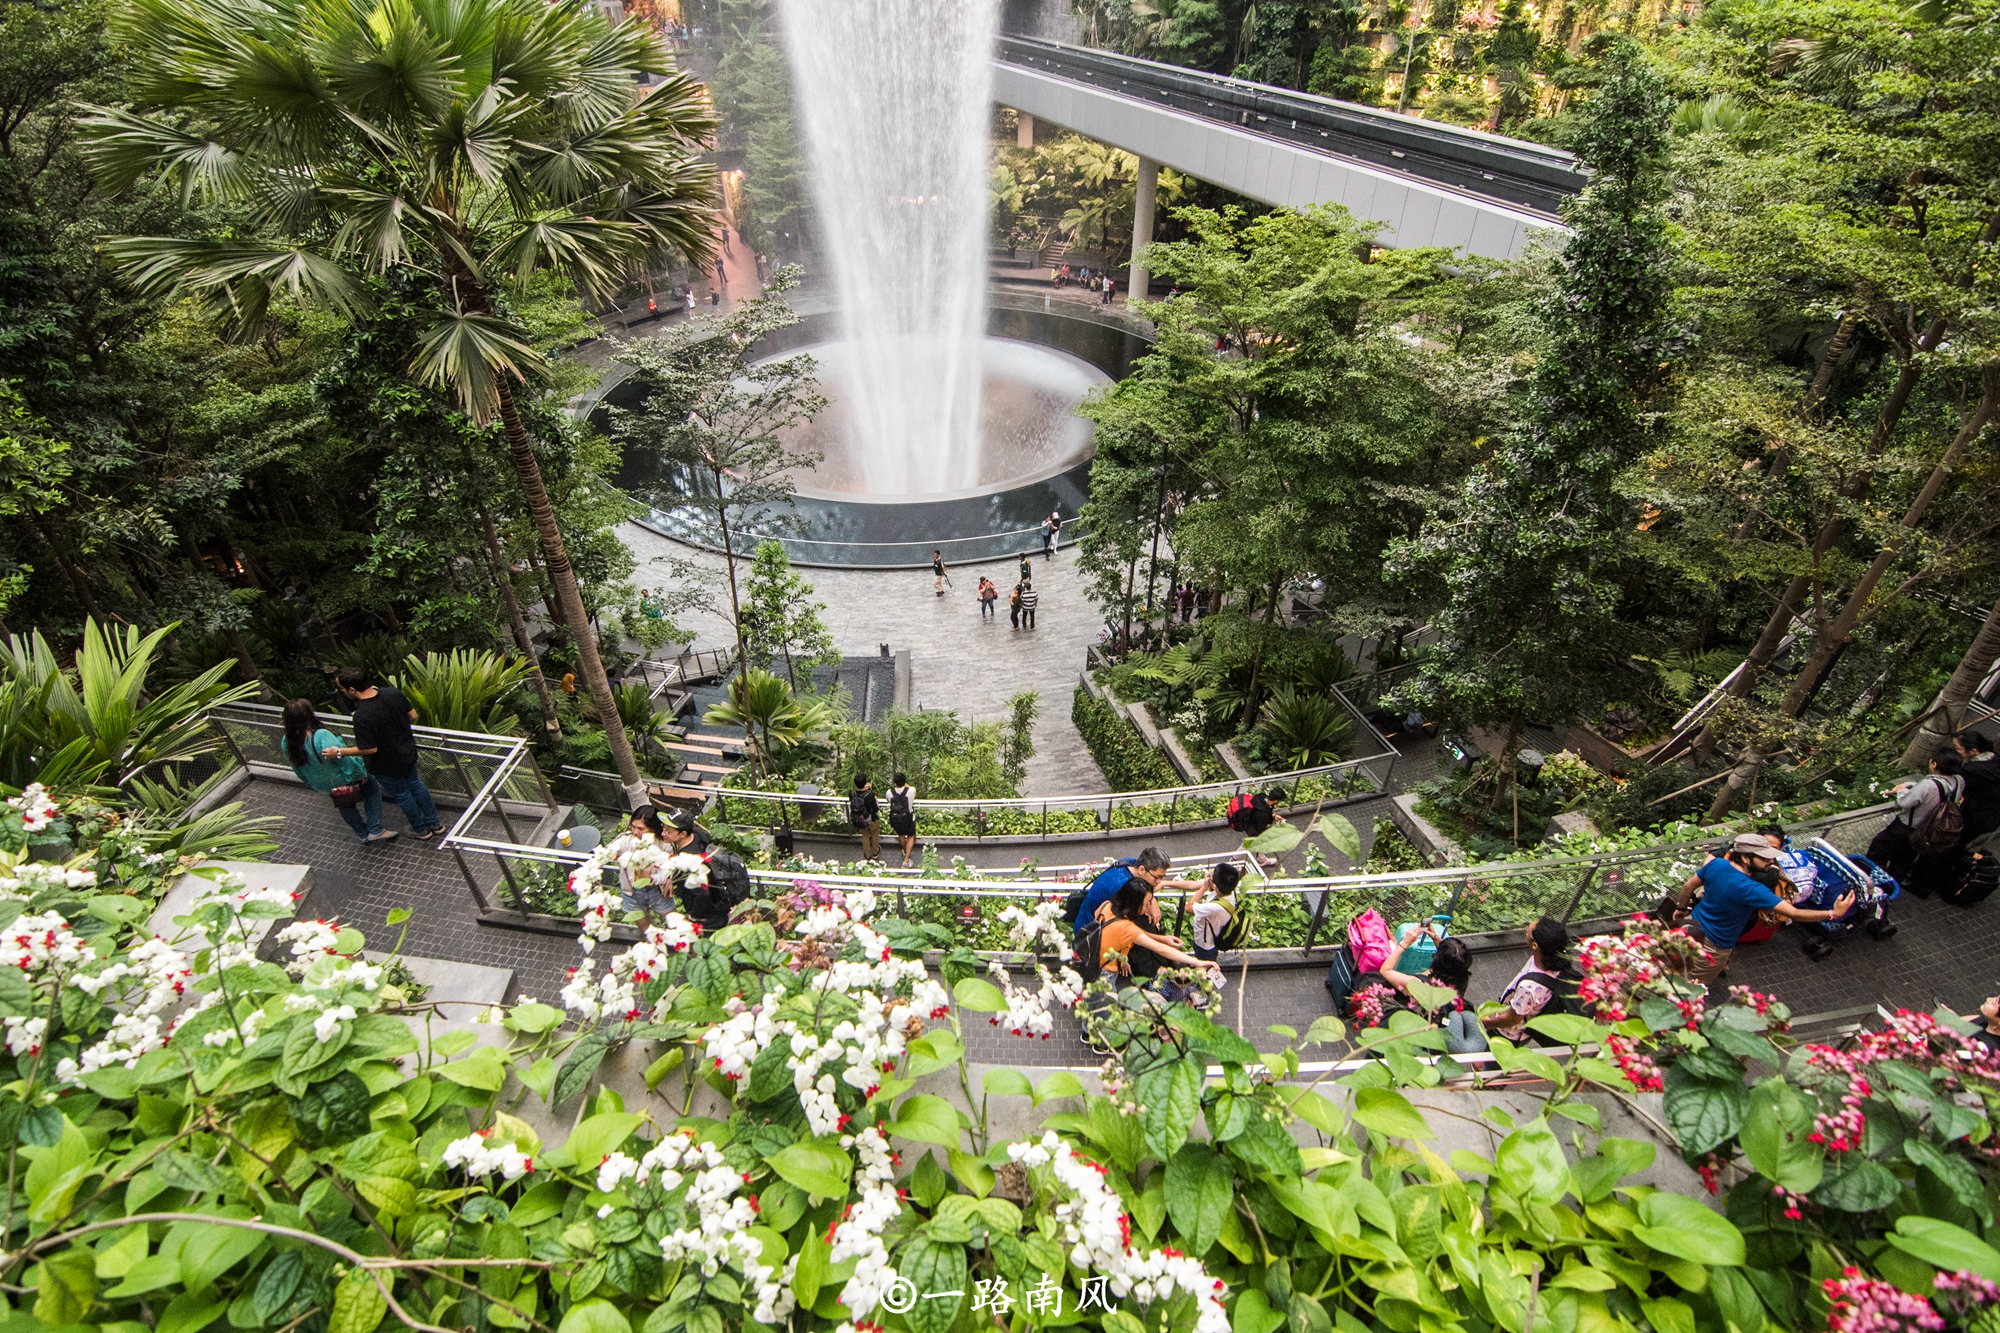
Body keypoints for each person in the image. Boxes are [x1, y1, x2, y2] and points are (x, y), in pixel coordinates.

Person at [1668, 832, 1856, 982]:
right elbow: (1794, 913)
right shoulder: (1752, 889)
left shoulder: (1716, 864)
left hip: (1691, 927)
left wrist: (1681, 909)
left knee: (1672, 968)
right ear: (1746, 858)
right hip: (1714, 947)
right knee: (1691, 986)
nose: (1771, 861)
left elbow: (1688, 885)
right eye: (1764, 858)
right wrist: (1833, 913)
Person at [326, 667, 441, 840]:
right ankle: (435, 824)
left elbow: (369, 748)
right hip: (407, 753)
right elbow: (413, 714)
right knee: (416, 785)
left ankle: (421, 830)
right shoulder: (392, 693)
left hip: (385, 764)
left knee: (403, 794)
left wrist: (339, 752)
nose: (342, 692)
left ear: (352, 689)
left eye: (342, 689)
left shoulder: (362, 715)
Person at [283, 699, 394, 844]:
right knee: (372, 791)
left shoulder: (287, 741)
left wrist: (310, 782)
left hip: (325, 783)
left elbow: (297, 768)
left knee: (345, 804)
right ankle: (375, 829)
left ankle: (363, 834)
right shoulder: (321, 735)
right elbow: (343, 759)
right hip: (344, 778)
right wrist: (360, 774)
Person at [1379, 925, 1487, 1054]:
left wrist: (1404, 943)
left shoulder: (1418, 985)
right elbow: (1454, 961)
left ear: (1436, 960)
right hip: (1437, 1032)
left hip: (1412, 1031)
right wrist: (1437, 939)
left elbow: (1385, 970)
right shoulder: (1462, 979)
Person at [1870, 747, 1967, 890]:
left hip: (1906, 828)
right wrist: (1910, 785)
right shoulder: (1959, 781)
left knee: (1878, 851)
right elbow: (1938, 789)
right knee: (1903, 862)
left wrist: (1902, 791)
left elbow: (1905, 802)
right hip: (1926, 832)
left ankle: (1872, 884)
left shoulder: (1928, 785)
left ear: (1934, 764)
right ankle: (1888, 890)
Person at [1097, 882, 1222, 984]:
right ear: (1135, 904)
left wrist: (1123, 958)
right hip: (1106, 972)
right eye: (1147, 904)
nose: (1149, 908)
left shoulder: (1106, 906)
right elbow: (1161, 949)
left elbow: (1114, 936)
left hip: (1094, 961)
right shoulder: (1127, 928)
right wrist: (1198, 962)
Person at [1486, 917, 1579, 1041]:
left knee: (1491, 1056)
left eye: (1529, 932)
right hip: (1527, 1021)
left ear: (1535, 946)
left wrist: (1489, 1023)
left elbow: (1512, 1019)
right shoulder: (1556, 959)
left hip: (1509, 1034)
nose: (1527, 930)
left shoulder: (1529, 988)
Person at [659, 809, 751, 933]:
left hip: (708, 915)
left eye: (668, 831)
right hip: (718, 902)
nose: (663, 833)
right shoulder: (697, 835)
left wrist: (693, 916)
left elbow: (701, 894)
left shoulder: (690, 862)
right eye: (663, 828)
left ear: (683, 834)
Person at [1073, 847, 1170, 938]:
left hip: (1086, 925)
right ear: (1141, 870)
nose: (1159, 882)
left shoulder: (1130, 863)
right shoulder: (1124, 888)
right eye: (1157, 877)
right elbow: (1130, 930)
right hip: (1090, 938)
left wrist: (1152, 900)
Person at [1186, 862, 1245, 961]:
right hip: (1211, 940)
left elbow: (1188, 907)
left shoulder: (1214, 907)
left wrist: (1204, 887)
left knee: (1204, 969)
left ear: (1215, 887)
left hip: (1205, 945)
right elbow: (1194, 885)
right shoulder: (1230, 893)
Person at [621, 808, 670, 926]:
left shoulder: (664, 844)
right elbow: (606, 852)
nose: (635, 832)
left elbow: (667, 870)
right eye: (633, 827)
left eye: (641, 829)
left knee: (672, 924)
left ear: (652, 828)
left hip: (658, 890)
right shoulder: (626, 839)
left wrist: (655, 878)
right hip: (632, 891)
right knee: (646, 930)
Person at [1956, 730, 2000, 843]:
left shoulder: (1971, 770)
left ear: (1973, 751)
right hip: (1992, 816)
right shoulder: (1994, 758)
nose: (1955, 751)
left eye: (1958, 748)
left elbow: (1957, 788)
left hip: (1975, 817)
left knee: (1956, 842)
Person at [887, 772, 918, 867]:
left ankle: (905, 851)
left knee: (901, 835)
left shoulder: (889, 792)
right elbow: (912, 792)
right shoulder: (911, 790)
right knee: (911, 836)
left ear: (895, 783)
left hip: (896, 818)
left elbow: (889, 801)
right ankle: (906, 860)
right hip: (908, 818)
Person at [849, 774, 882, 861]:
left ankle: (867, 855)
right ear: (865, 783)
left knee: (865, 836)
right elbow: (875, 809)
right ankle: (875, 852)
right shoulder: (870, 796)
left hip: (860, 819)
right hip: (871, 819)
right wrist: (873, 796)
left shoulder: (852, 794)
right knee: (874, 835)